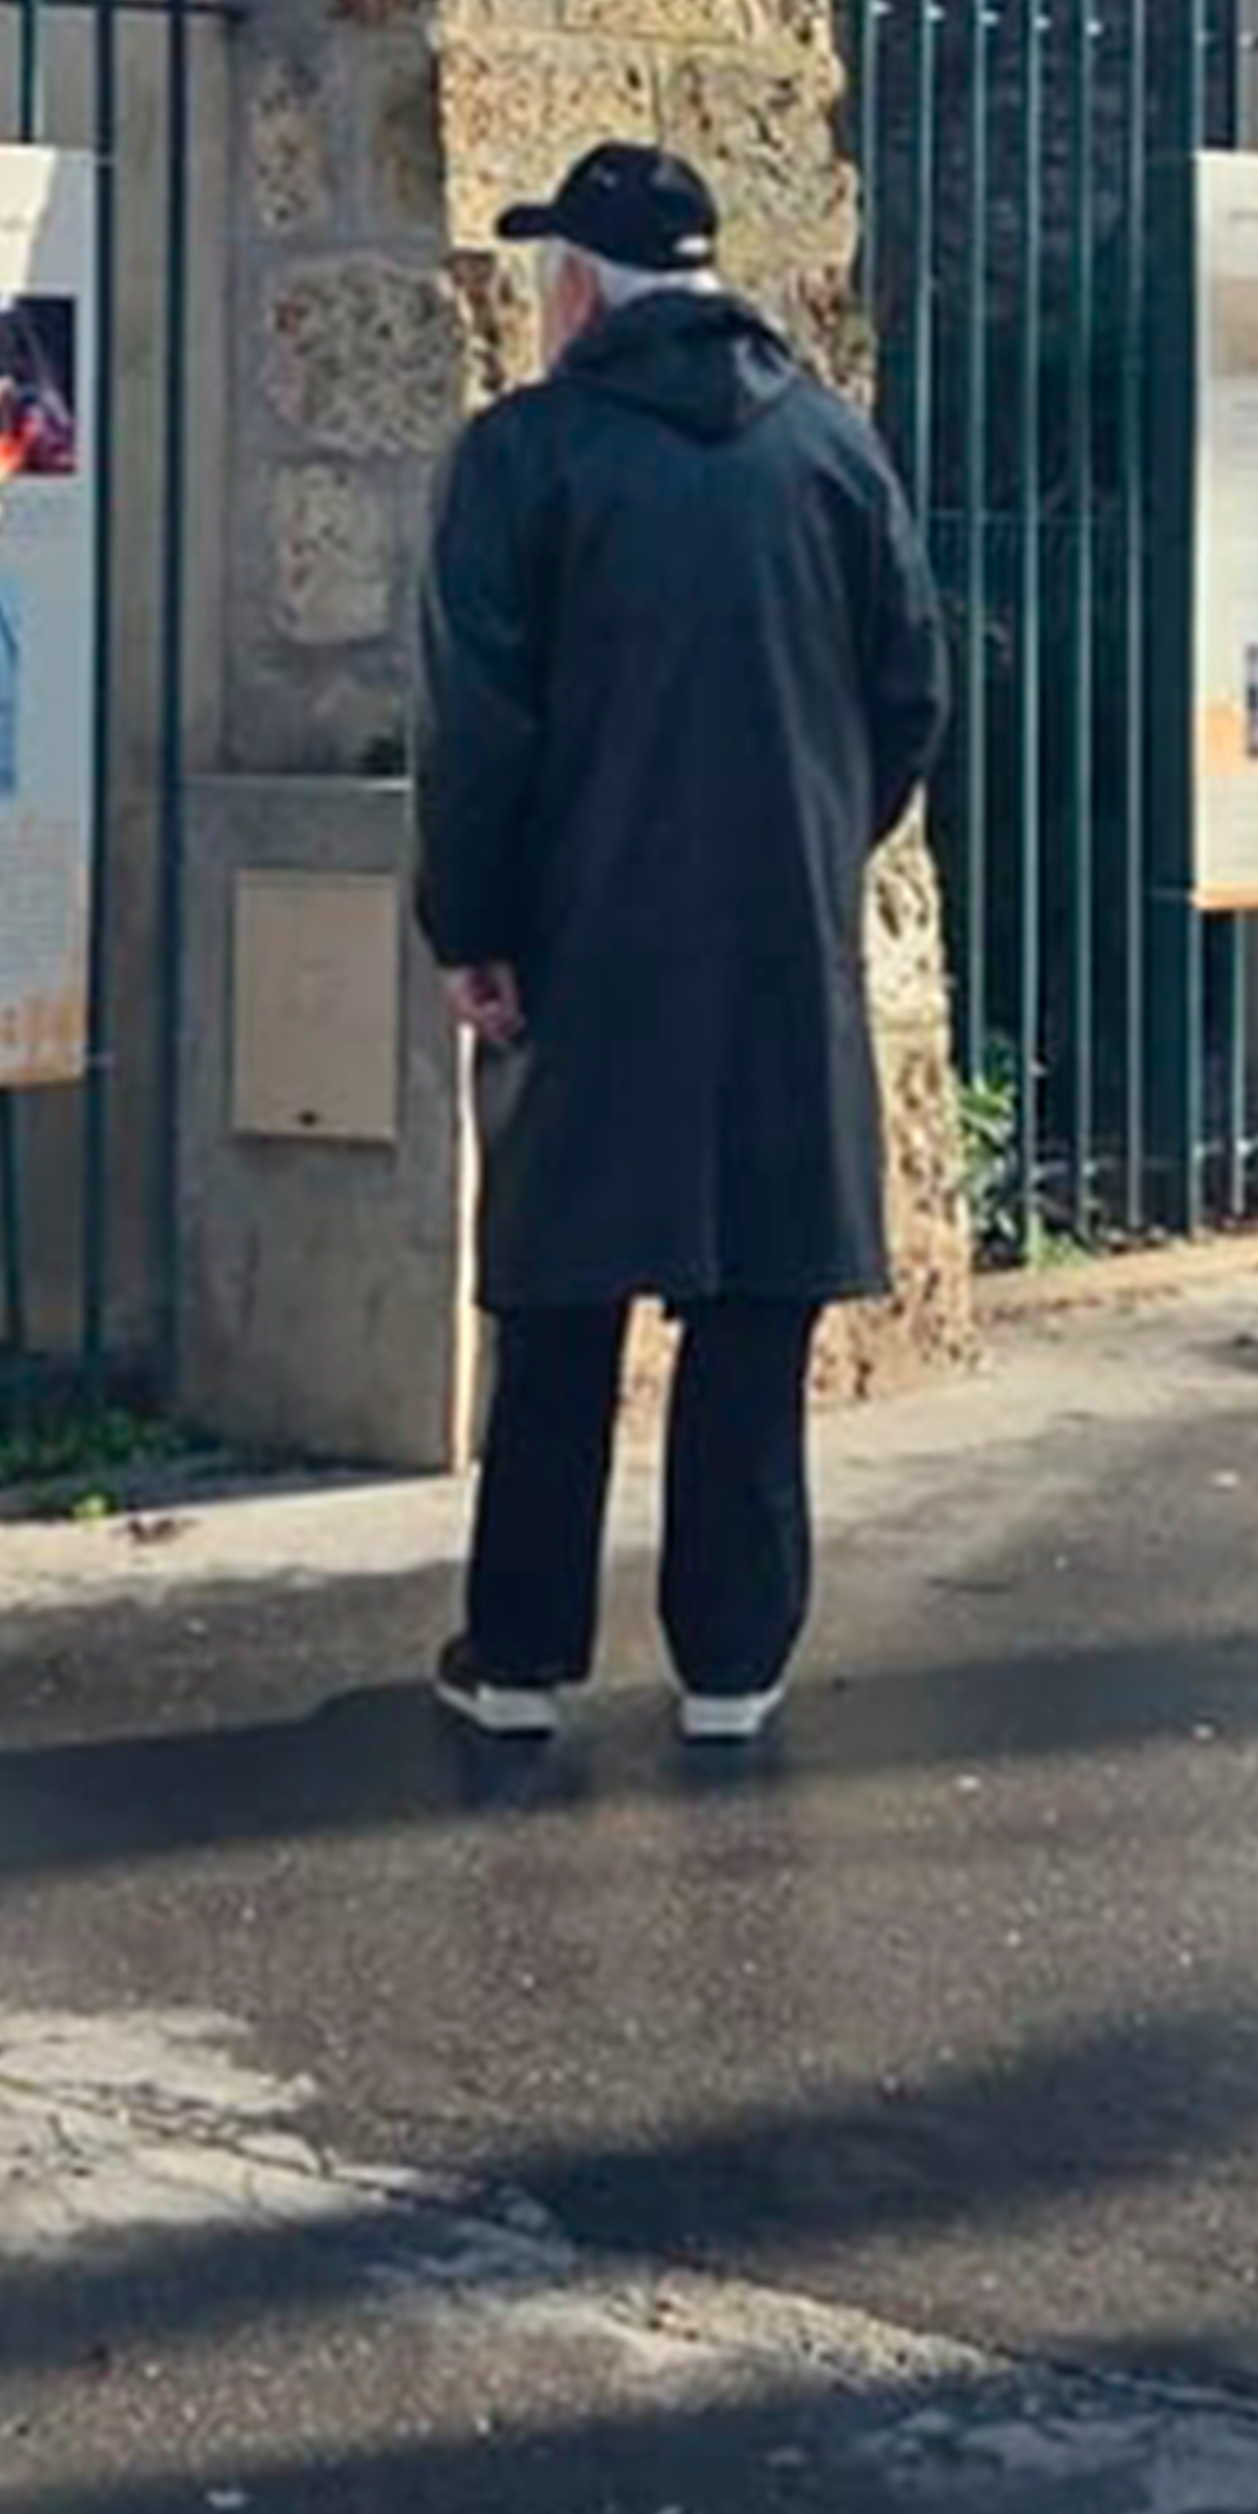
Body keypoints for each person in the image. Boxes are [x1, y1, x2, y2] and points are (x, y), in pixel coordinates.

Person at [413, 138, 947, 1748]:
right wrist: (805, 843)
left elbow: (480, 722)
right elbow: (908, 693)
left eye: (547, 273)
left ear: (579, 284)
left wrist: (477, 925)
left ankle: (520, 1661)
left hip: (591, 932)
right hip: (780, 940)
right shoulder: (837, 450)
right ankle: (733, 1664)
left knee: (562, 1312)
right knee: (755, 1310)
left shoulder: (527, 453)